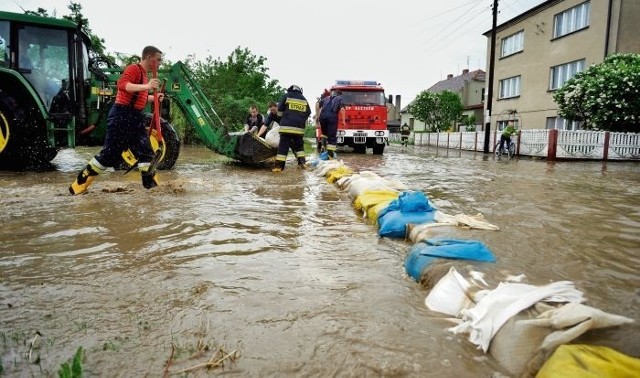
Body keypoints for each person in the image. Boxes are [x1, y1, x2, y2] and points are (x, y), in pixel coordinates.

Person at [69, 45, 164, 195]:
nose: (160, 62)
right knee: (109, 156)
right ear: (149, 57)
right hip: (122, 116)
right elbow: (122, 85)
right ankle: (78, 187)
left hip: (135, 117)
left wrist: (154, 98)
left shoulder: (145, 75)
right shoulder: (134, 69)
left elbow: (140, 97)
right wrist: (147, 86)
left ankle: (153, 191)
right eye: (158, 59)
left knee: (147, 154)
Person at [272, 84, 311, 172]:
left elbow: (280, 110)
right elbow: (308, 112)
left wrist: (283, 117)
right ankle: (302, 164)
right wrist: (301, 119)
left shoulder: (286, 96)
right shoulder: (304, 99)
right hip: (299, 129)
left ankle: (279, 167)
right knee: (299, 147)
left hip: (286, 127)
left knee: (283, 147)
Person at [318, 89, 346, 159]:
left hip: (322, 117)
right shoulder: (340, 98)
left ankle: (323, 149)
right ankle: (330, 156)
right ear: (340, 94)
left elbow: (318, 105)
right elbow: (342, 109)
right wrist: (343, 121)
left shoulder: (326, 98)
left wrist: (318, 116)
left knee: (324, 134)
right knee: (332, 137)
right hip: (332, 117)